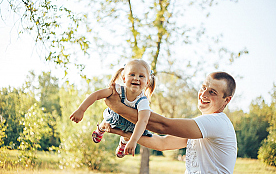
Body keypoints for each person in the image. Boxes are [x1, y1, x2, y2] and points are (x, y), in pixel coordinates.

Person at [105, 72, 237, 174]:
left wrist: (118, 107)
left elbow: (163, 126)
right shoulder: (201, 127)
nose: (203, 94)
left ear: (227, 100)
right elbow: (162, 143)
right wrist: (118, 130)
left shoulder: (218, 123)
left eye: (212, 92)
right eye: (203, 87)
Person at [69, 59, 156, 158]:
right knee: (107, 121)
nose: (136, 78)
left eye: (141, 76)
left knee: (130, 133)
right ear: (124, 78)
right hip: (114, 117)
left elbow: (143, 121)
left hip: (131, 124)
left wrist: (133, 140)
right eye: (132, 74)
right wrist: (81, 110)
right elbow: (97, 95)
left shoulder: (143, 101)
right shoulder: (117, 90)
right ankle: (100, 130)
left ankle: (122, 144)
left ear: (147, 82)